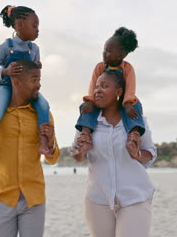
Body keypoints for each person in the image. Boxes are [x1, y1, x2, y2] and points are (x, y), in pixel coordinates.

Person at [0, 59, 60, 237]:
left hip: (33, 199)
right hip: (3, 197)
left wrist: (50, 141)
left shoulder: (43, 114)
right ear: (16, 81)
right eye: (34, 79)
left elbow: (53, 158)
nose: (39, 85)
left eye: (39, 79)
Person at [71, 70, 157, 237]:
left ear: (118, 92)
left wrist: (137, 154)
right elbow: (76, 151)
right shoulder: (87, 121)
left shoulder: (136, 121)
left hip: (134, 199)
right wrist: (80, 153)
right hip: (98, 200)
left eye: (104, 86)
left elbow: (151, 153)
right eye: (96, 87)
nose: (98, 91)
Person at [0, 5, 50, 161]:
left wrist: (37, 66)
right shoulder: (5, 47)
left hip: (27, 90)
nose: (38, 30)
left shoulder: (34, 48)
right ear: (19, 25)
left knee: (43, 106)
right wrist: (6, 72)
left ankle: (43, 143)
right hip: (6, 86)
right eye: (34, 25)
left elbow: (34, 71)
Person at [75, 27, 145, 154]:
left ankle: (134, 134)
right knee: (84, 107)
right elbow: (93, 85)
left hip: (123, 100)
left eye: (108, 51)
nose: (104, 53)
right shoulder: (100, 67)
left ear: (120, 55)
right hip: (101, 100)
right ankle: (85, 134)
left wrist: (128, 103)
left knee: (137, 107)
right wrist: (91, 100)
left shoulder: (127, 68)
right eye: (104, 50)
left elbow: (130, 87)